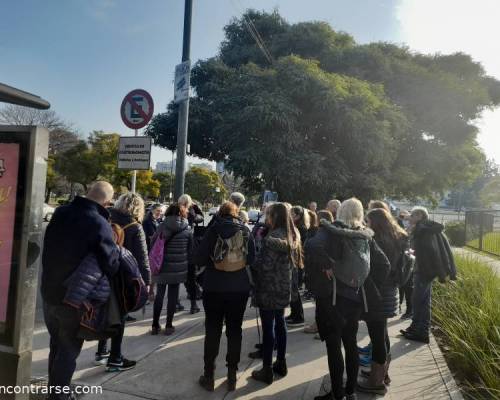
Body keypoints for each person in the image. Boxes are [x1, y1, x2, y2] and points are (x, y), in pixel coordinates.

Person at [305, 198, 390, 400]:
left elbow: (312, 246)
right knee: (350, 344)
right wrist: (365, 283)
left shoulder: (332, 229)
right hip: (355, 298)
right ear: (360, 214)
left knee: (333, 347)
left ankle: (337, 393)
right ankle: (350, 391)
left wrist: (326, 265)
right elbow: (384, 264)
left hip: (332, 298)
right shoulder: (365, 235)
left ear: (341, 211)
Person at [41, 181, 120, 399]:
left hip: (49, 292)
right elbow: (111, 264)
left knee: (56, 345)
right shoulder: (98, 222)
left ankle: (55, 390)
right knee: (68, 350)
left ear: (87, 193)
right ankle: (59, 395)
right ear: (107, 202)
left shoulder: (61, 212)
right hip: (74, 299)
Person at [195, 202, 255, 392]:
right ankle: (231, 375)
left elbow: (199, 258)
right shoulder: (245, 230)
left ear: (220, 213)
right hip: (239, 288)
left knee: (212, 330)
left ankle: (209, 375)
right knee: (234, 330)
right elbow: (252, 259)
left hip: (214, 286)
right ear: (236, 213)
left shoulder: (213, 230)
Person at [95, 192, 151, 371]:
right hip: (123, 277)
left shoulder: (105, 218)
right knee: (119, 316)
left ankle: (101, 351)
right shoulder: (135, 226)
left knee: (104, 311)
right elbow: (142, 258)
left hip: (102, 272)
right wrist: (146, 281)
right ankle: (115, 357)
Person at [357, 208, 409, 395]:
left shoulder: (378, 240)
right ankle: (383, 374)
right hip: (391, 291)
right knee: (382, 334)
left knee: (377, 336)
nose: (366, 224)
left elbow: (374, 267)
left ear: (376, 223)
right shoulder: (398, 237)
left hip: (378, 293)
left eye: (368, 221)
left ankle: (376, 382)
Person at [251, 203, 301, 385]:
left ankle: (267, 369)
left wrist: (252, 264)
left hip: (268, 289)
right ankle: (281, 362)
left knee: (268, 328)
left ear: (275, 216)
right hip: (284, 288)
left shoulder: (272, 238)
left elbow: (264, 266)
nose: (267, 218)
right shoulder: (292, 235)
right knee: (280, 324)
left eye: (269, 215)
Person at [401, 207, 456, 343]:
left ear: (419, 216)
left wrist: (412, 254)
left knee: (419, 301)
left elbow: (429, 251)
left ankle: (422, 332)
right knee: (422, 301)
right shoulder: (424, 228)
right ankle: (415, 328)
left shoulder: (424, 230)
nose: (410, 217)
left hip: (424, 271)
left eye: (413, 215)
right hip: (424, 270)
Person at [151, 203, 193, 335]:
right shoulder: (187, 229)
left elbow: (153, 244)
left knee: (159, 295)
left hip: (162, 265)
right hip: (178, 268)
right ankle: (169, 325)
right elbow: (190, 251)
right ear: (183, 213)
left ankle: (155, 325)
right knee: (173, 296)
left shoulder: (161, 226)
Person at [286, 206, 309, 326]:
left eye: (292, 214)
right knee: (293, 290)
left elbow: (300, 247)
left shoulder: (301, 228)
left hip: (297, 262)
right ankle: (294, 314)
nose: (290, 216)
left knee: (294, 290)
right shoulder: (295, 227)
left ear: (298, 216)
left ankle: (298, 317)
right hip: (295, 262)